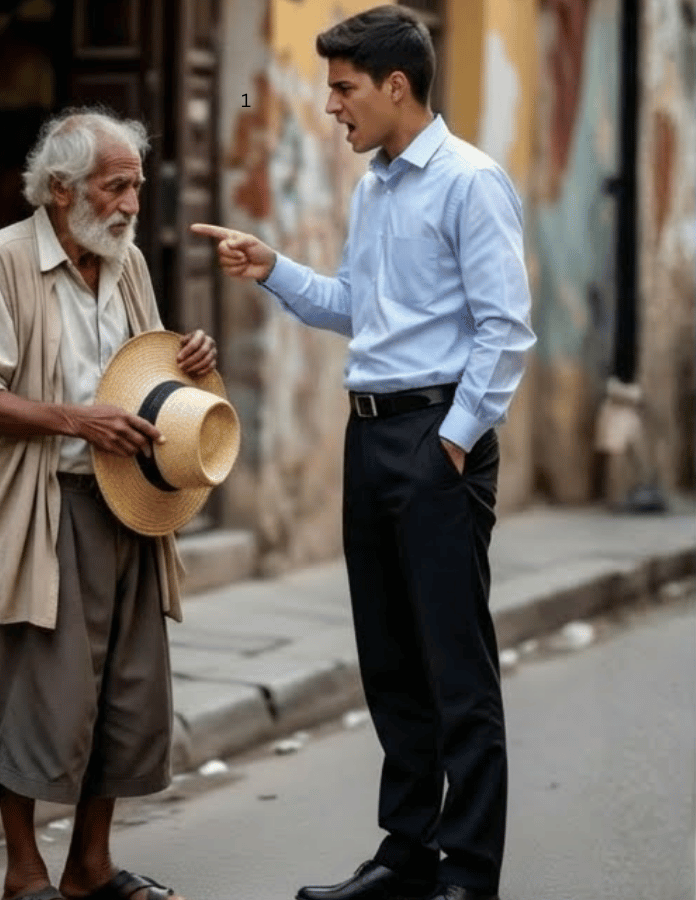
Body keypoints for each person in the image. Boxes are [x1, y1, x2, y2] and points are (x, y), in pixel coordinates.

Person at [193, 7, 535, 900]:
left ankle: (469, 871)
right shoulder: (375, 186)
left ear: (395, 85)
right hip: (371, 434)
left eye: (343, 88)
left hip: (436, 438)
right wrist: (272, 268)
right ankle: (405, 854)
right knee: (389, 660)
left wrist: (455, 442)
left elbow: (505, 330)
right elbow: (358, 307)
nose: (331, 105)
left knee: (454, 668)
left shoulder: (470, 181)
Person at [0, 107, 217, 900]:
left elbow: (150, 379)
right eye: (117, 186)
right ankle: (23, 870)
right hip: (41, 509)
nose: (135, 203)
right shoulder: (0, 264)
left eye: (135, 185)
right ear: (62, 191)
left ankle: (89, 866)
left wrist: (190, 362)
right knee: (32, 691)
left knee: (128, 692)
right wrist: (77, 419)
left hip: (129, 502)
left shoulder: (125, 263)